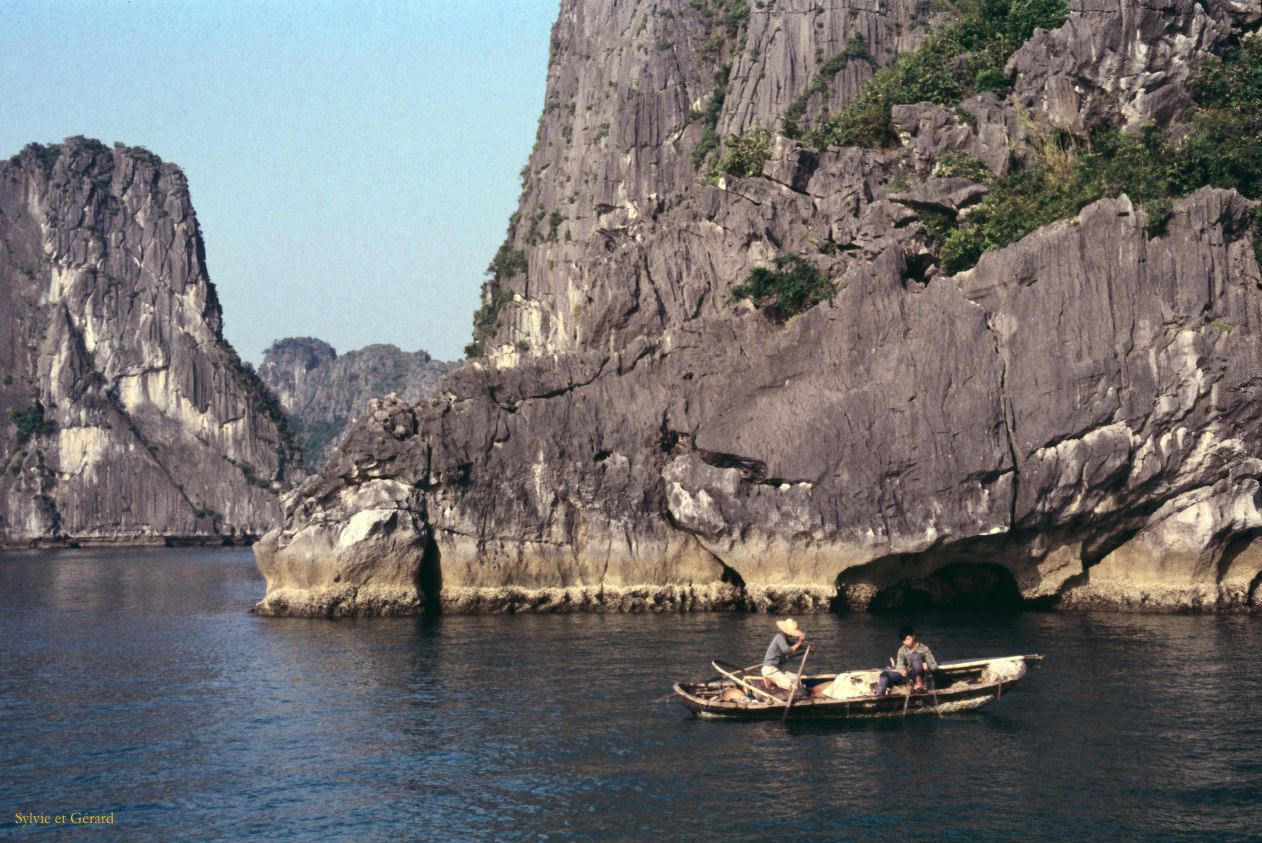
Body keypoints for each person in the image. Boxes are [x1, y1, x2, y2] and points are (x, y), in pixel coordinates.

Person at [875, 625, 938, 696]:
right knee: (884, 674)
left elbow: (934, 666)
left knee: (915, 655)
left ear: (913, 636)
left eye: (908, 639)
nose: (906, 642)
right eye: (904, 640)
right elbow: (899, 664)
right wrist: (902, 670)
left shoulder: (924, 649)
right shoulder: (902, 650)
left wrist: (928, 667)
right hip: (908, 678)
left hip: (923, 678)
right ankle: (879, 695)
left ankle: (919, 685)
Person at [761, 618, 812, 695]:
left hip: (777, 670)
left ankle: (773, 681)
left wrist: (808, 647)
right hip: (770, 670)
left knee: (797, 679)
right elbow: (787, 650)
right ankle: (769, 680)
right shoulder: (779, 637)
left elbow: (796, 646)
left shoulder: (785, 639)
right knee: (792, 686)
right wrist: (800, 642)